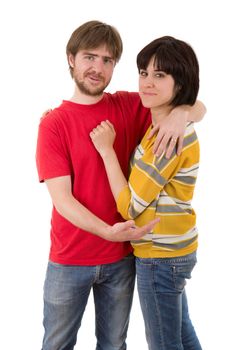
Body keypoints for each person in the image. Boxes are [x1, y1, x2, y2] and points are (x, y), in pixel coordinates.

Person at [36, 20, 205, 350]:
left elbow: (188, 101)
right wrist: (106, 231)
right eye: (89, 57)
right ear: (71, 58)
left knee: (114, 345)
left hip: (122, 257)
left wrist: (183, 112)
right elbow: (62, 200)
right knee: (56, 344)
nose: (97, 67)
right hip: (70, 258)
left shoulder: (129, 105)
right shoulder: (54, 124)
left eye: (107, 60)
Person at [90, 36, 203, 350]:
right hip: (173, 249)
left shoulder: (167, 139)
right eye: (143, 73)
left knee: (165, 344)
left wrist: (107, 152)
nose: (147, 83)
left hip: (160, 256)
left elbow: (130, 208)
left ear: (180, 84)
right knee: (181, 336)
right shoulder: (164, 125)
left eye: (159, 75)